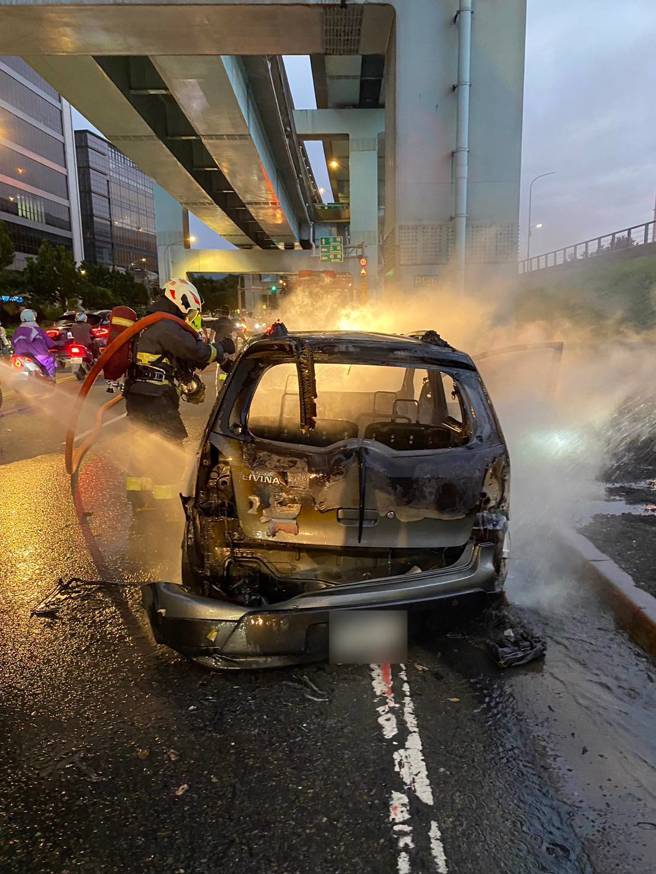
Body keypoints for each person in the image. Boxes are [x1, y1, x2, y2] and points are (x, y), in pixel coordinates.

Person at [123, 278, 234, 505]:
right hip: (156, 396)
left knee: (141, 443)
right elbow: (197, 352)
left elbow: (181, 359)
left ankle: (139, 497)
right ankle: (167, 501)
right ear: (182, 300)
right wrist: (222, 348)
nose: (189, 315)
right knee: (171, 443)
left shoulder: (148, 323)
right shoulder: (165, 325)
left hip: (138, 394)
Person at [11, 309, 56, 379]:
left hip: (21, 354)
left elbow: (13, 343)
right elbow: (50, 343)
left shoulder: (17, 330)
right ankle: (50, 379)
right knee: (50, 361)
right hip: (39, 354)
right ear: (33, 317)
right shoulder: (38, 329)